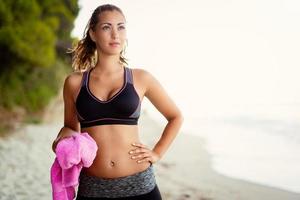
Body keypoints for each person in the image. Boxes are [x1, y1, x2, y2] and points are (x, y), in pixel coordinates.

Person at [52, 4, 184, 200]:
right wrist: (62, 142)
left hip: (139, 186)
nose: (115, 34)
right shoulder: (74, 83)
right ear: (93, 34)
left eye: (121, 27)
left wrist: (157, 153)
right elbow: (71, 128)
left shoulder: (141, 78)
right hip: (93, 189)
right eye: (106, 27)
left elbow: (175, 116)